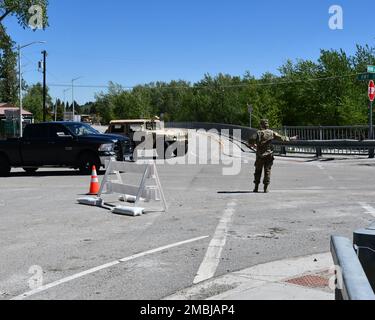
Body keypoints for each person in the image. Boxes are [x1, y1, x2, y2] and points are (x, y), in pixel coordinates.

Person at [250, 119, 297, 193]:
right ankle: (266, 188)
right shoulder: (272, 132)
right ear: (267, 125)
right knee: (267, 171)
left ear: (261, 125)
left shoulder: (258, 133)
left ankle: (256, 187)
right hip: (269, 155)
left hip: (260, 155)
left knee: (258, 171)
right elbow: (282, 138)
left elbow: (250, 141)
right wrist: (291, 138)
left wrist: (254, 145)